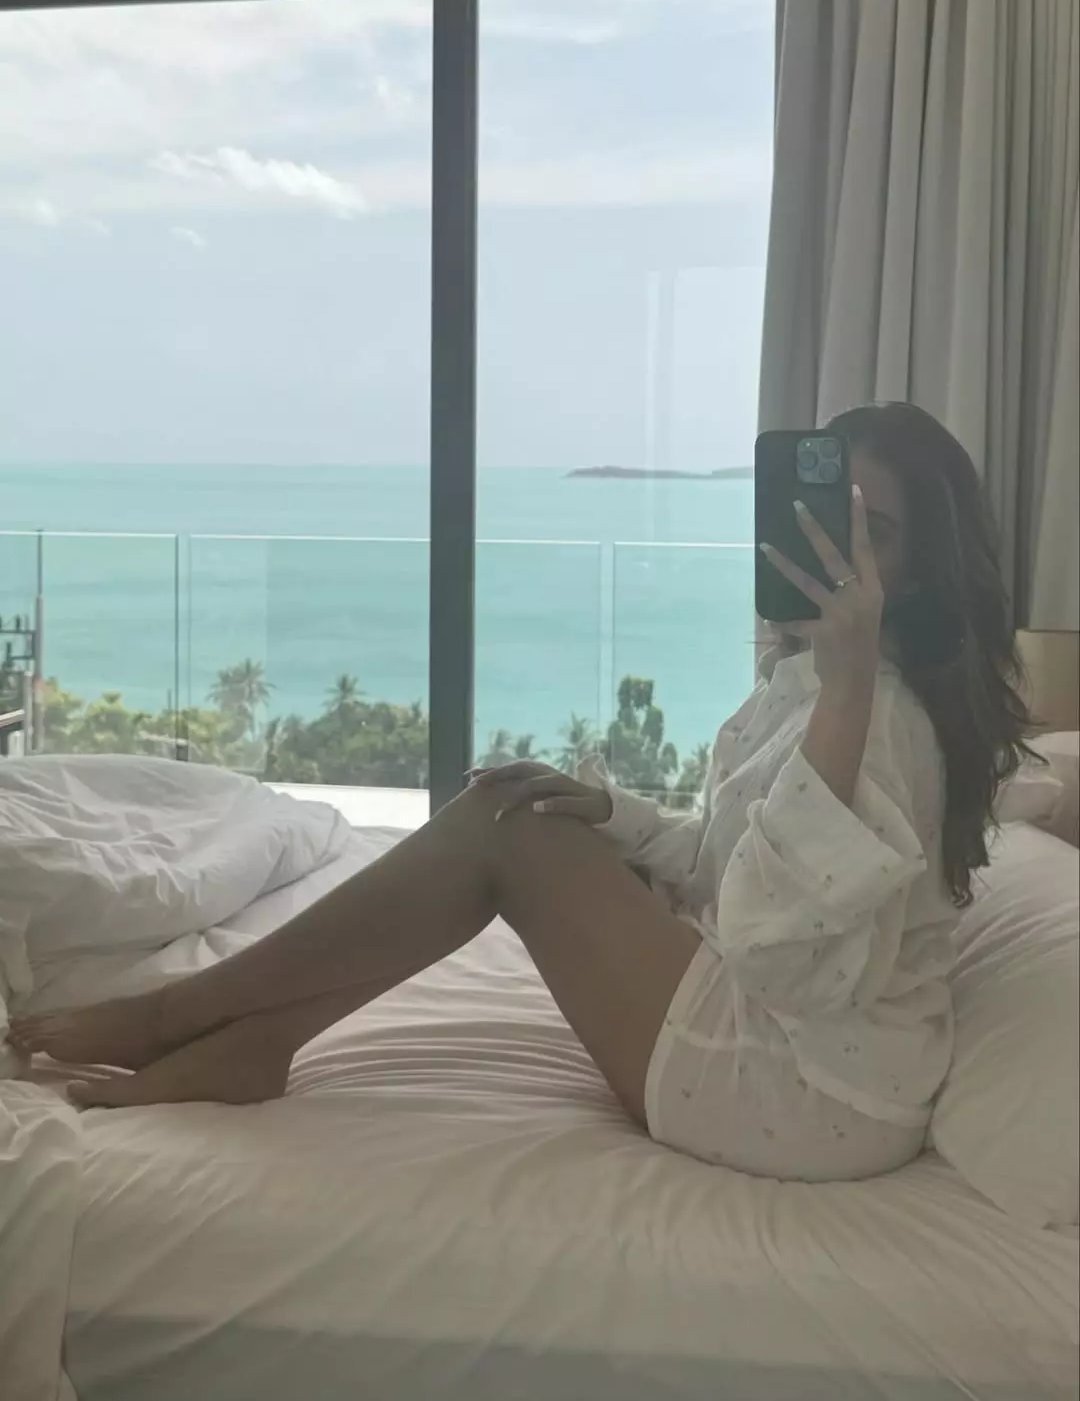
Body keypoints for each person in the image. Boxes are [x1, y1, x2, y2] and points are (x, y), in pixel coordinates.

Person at [12, 403, 1036, 1182]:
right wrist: (608, 815)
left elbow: (779, 951)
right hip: (786, 1037)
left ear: (921, 571)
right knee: (526, 811)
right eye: (825, 520)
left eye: (872, 533)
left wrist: (846, 690)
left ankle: (176, 1016)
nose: (834, 554)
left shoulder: (878, 716)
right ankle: (254, 1038)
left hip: (808, 1095)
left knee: (508, 832)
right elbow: (734, 864)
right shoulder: (814, 679)